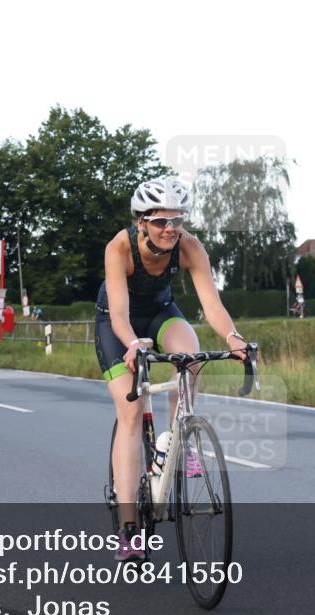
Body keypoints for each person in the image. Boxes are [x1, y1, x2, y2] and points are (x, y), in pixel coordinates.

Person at [95, 177, 247, 562]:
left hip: (162, 314)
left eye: (176, 220)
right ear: (142, 221)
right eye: (161, 221)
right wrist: (132, 344)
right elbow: (119, 314)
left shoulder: (190, 246)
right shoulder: (120, 247)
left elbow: (211, 304)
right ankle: (128, 527)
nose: (170, 229)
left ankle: (179, 436)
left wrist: (233, 338)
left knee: (190, 356)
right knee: (130, 411)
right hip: (119, 325)